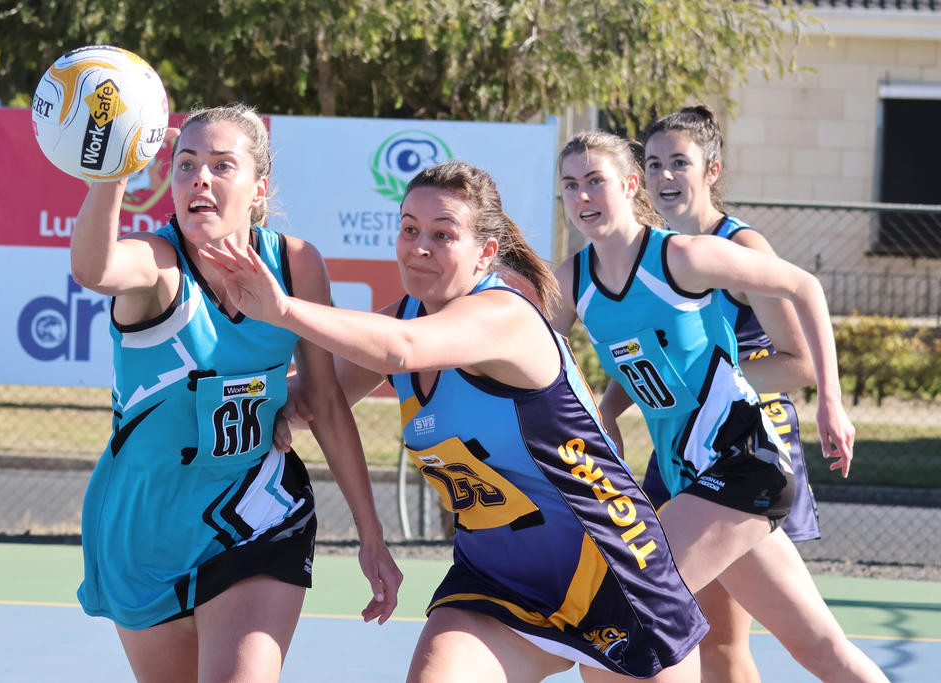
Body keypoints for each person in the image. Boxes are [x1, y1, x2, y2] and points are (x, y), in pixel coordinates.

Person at [204, 160, 707, 681]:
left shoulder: (504, 316)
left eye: (442, 235)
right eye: (409, 229)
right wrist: (255, 400)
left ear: (485, 253)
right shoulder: (405, 316)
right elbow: (318, 396)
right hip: (497, 581)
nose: (419, 247)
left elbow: (401, 350)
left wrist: (283, 309)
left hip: (612, 573)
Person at [70, 104, 401, 682]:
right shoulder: (158, 265)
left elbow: (324, 401)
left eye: (222, 165)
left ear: (258, 188)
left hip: (257, 510)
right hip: (148, 523)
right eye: (186, 164)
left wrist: (370, 533)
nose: (200, 178)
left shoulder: (295, 264)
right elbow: (94, 270)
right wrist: (113, 171)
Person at [549, 130, 887, 683]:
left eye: (595, 181)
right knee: (821, 648)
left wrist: (832, 401)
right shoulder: (572, 281)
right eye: (570, 185)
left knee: (620, 618)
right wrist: (598, 413)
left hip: (743, 463)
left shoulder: (681, 256)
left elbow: (805, 287)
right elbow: (536, 359)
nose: (582, 196)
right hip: (689, 480)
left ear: (630, 185)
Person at [634, 104, 823, 682]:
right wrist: (606, 412)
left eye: (679, 162)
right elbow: (656, 356)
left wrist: (710, 384)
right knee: (691, 632)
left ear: (712, 170)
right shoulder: (655, 251)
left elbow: (800, 364)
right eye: (653, 164)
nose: (664, 176)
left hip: (744, 448)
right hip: (681, 448)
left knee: (723, 639)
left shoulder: (741, 245)